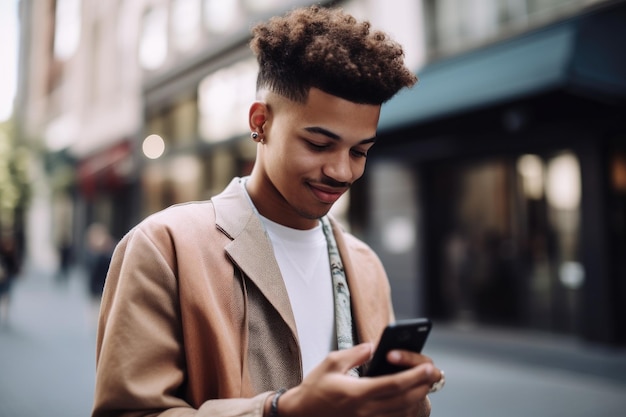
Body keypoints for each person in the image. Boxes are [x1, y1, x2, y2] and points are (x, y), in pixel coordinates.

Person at [92, 5, 444, 417]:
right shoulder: (164, 247)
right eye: (318, 144)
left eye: (360, 151)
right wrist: (280, 411)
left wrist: (407, 398)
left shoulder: (365, 265)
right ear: (260, 122)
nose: (342, 170)